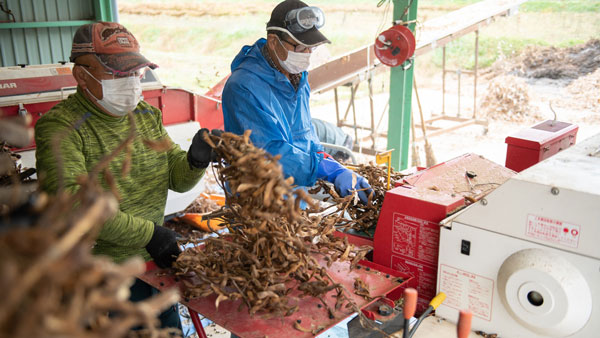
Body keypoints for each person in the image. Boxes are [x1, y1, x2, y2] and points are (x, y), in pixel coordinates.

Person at [34, 22, 220, 331]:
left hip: (152, 263)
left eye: (135, 73)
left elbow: (177, 177)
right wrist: (149, 234)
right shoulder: (60, 128)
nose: (132, 82)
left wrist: (195, 160)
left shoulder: (146, 116)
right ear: (81, 75)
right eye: (118, 73)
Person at [222, 0, 372, 203]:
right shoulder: (244, 87)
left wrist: (328, 163)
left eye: (311, 48)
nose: (307, 55)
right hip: (259, 203)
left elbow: (305, 133)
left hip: (296, 195)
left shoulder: (297, 77)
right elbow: (269, 152)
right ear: (273, 42)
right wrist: (324, 169)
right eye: (300, 47)